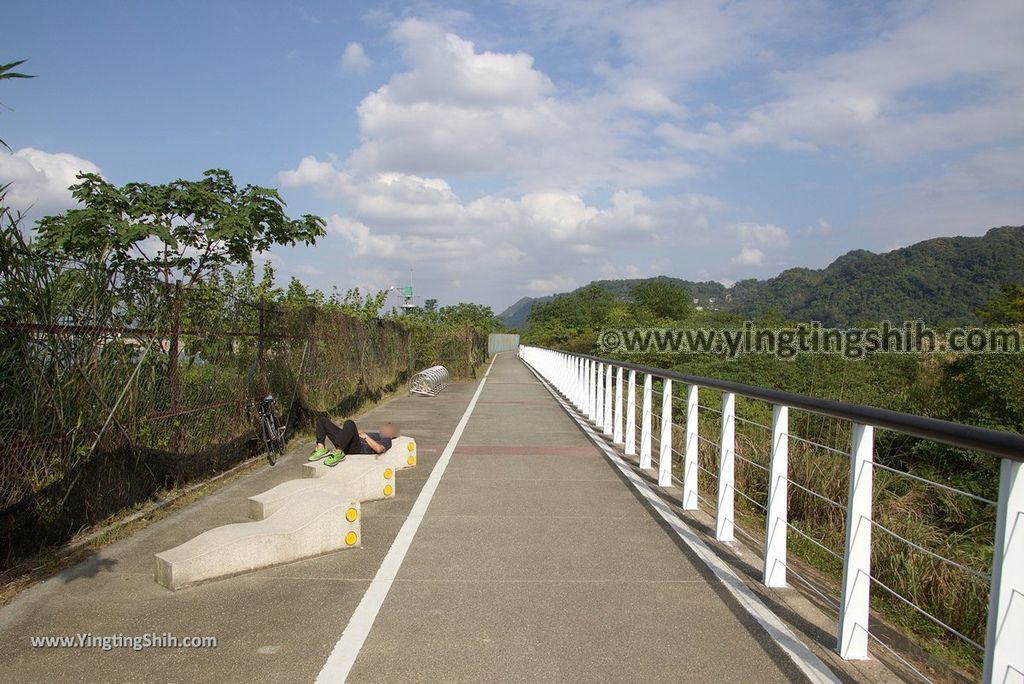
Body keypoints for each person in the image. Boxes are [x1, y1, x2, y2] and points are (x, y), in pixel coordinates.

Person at [309, 416, 399, 467]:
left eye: (387, 427)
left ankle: (339, 452)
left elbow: (379, 449)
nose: (383, 428)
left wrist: (366, 436)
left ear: (391, 432)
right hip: (348, 442)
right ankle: (321, 448)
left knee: (350, 423)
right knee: (322, 421)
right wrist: (356, 433)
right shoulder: (377, 434)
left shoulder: (387, 439)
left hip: (356, 448)